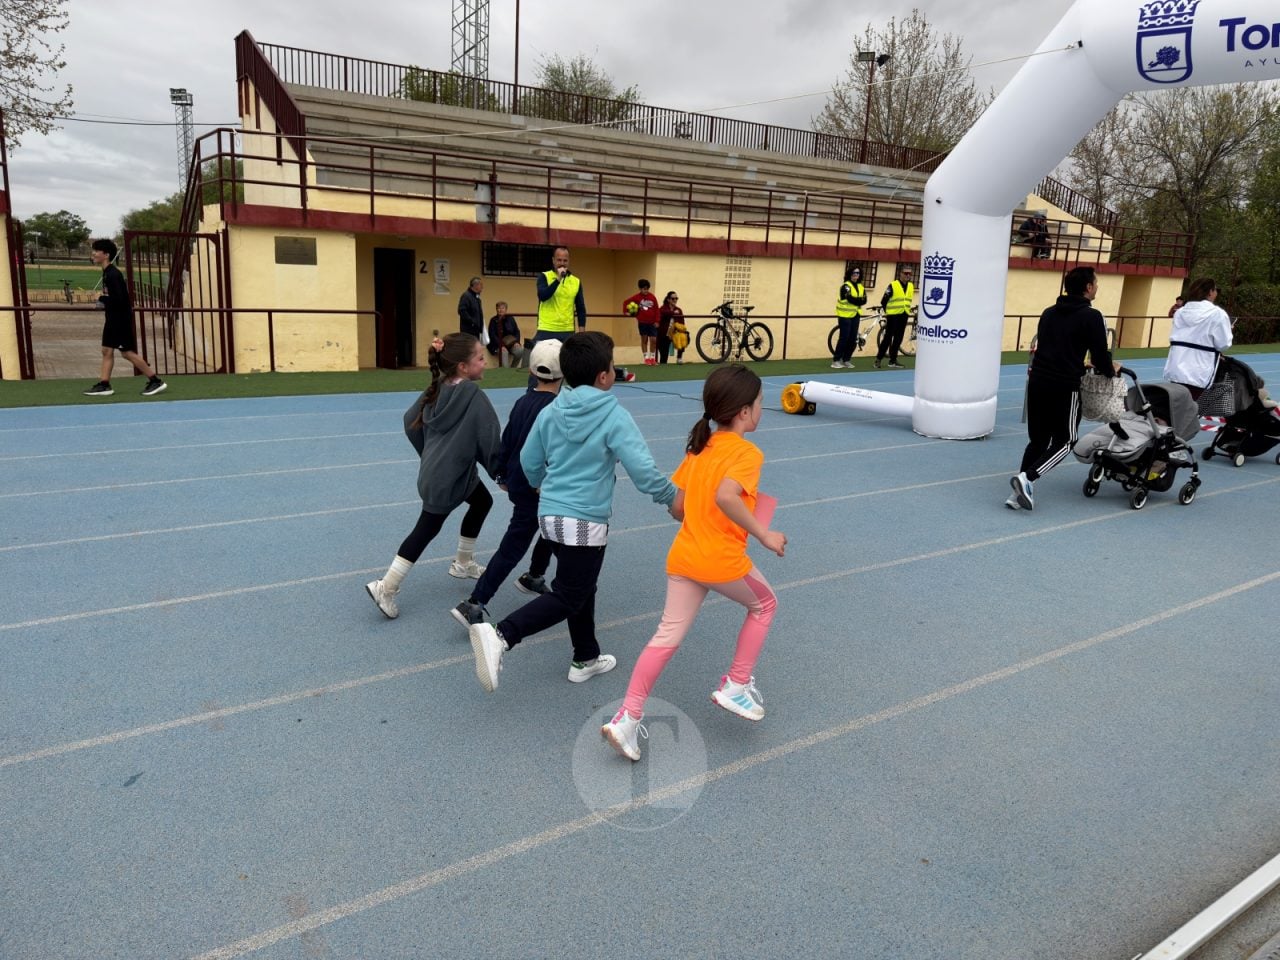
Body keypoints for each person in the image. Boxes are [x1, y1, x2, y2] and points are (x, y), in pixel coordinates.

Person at [468, 331, 677, 693]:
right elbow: (642, 471)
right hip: (584, 522)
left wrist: (537, 482)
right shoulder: (614, 415)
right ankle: (501, 635)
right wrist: (672, 496)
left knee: (581, 585)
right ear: (603, 376)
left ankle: (586, 656)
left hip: (550, 519)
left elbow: (529, 460)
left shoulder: (552, 411)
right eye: (612, 366)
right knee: (569, 595)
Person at [602, 365, 787, 762]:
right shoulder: (747, 452)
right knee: (765, 604)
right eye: (759, 404)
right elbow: (726, 496)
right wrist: (764, 534)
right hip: (719, 560)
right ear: (742, 412)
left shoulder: (699, 447)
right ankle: (737, 683)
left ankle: (627, 718)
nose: (761, 411)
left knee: (665, 637)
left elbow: (681, 507)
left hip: (684, 556)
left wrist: (712, 511)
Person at [366, 332, 501, 619]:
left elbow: (409, 421)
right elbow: (489, 439)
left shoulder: (439, 386)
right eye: (480, 358)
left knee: (482, 502)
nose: (485, 362)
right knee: (426, 529)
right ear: (463, 367)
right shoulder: (473, 395)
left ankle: (463, 563)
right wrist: (502, 475)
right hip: (446, 478)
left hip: (448, 473)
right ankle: (386, 587)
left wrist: (428, 454)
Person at [451, 339, 563, 629]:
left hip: (520, 483)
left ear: (531, 369)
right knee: (515, 546)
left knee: (551, 529)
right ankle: (475, 602)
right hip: (539, 487)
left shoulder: (523, 401)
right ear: (565, 373)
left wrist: (501, 474)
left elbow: (508, 439)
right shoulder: (559, 409)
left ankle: (535, 575)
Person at [1009, 265, 1118, 512]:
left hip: (1037, 381)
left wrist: (1080, 360)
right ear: (1088, 287)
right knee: (1067, 440)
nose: (1097, 287)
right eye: (1096, 283)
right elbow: (1101, 355)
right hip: (1064, 385)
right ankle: (1028, 479)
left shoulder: (1048, 312)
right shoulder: (1092, 316)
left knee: (1037, 441)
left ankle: (1017, 492)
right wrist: (1111, 369)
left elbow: (1056, 345)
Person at [530, 247, 635, 387]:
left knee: (572, 367)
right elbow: (543, 296)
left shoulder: (576, 281)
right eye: (559, 260)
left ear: (569, 262)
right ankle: (532, 394)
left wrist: (582, 330)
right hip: (546, 329)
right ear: (553, 261)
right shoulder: (544, 277)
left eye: (565, 260)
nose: (562, 263)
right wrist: (557, 280)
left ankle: (572, 397)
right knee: (539, 364)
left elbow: (580, 307)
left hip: (567, 331)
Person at [82, 239, 166, 397]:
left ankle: (155, 380)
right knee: (106, 350)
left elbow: (120, 300)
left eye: (96, 251)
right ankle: (105, 384)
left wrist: (101, 298)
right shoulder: (107, 272)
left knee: (127, 353)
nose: (93, 253)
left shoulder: (113, 274)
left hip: (119, 320)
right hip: (112, 319)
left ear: (106, 255)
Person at [1163, 277, 1232, 401]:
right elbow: (1223, 344)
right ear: (1210, 292)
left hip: (1176, 367)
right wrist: (1229, 330)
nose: (1216, 293)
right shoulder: (1218, 314)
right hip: (1199, 371)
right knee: (1188, 409)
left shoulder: (1180, 312)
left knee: (1176, 406)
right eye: (1216, 290)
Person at [874, 265, 915, 370]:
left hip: (904, 314)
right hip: (893, 316)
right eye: (905, 273)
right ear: (900, 273)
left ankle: (893, 360)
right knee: (888, 338)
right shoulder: (893, 285)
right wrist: (889, 312)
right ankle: (878, 359)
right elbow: (884, 301)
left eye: (910, 273)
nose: (908, 275)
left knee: (898, 338)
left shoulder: (911, 286)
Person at [831, 266, 867, 369]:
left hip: (856, 315)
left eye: (858, 273)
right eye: (854, 273)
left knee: (853, 339)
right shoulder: (845, 286)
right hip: (844, 315)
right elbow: (849, 298)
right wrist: (858, 300)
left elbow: (864, 300)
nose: (856, 274)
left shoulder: (861, 286)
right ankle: (836, 360)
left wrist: (858, 300)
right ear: (850, 274)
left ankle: (846, 359)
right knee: (844, 338)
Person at [622, 279, 661, 365]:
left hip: (652, 322)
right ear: (640, 289)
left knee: (653, 340)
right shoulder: (636, 297)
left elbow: (657, 309)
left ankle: (652, 358)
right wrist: (626, 312)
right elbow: (625, 302)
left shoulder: (652, 297)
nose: (646, 291)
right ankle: (646, 358)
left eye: (647, 289)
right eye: (644, 289)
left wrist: (657, 321)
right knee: (644, 340)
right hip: (642, 322)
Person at [486, 301, 525, 368]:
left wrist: (516, 342)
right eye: (499, 308)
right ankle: (505, 372)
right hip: (497, 345)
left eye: (503, 308)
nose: (500, 310)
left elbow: (516, 331)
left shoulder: (511, 318)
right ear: (496, 309)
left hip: (510, 343)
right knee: (504, 352)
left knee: (520, 351)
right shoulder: (493, 320)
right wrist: (501, 345)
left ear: (506, 309)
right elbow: (492, 335)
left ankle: (512, 369)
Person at [656, 290, 682, 365]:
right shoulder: (663, 308)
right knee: (664, 355)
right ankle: (663, 367)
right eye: (673, 298)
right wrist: (673, 313)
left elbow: (682, 322)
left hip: (675, 334)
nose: (675, 300)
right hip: (664, 335)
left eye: (676, 298)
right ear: (668, 299)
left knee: (684, 336)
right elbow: (663, 313)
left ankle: (679, 358)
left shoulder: (679, 310)